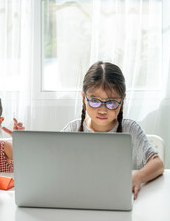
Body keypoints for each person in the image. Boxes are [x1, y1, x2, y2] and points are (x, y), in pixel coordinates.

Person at [62, 61, 164, 199]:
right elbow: (50, 166)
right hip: (79, 198)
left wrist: (136, 178)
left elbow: (158, 164)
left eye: (111, 102)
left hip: (120, 198)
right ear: (83, 98)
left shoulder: (131, 130)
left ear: (122, 100)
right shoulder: (72, 130)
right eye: (94, 101)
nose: (102, 110)